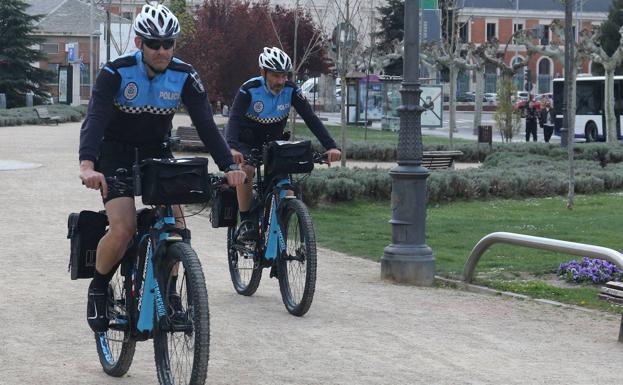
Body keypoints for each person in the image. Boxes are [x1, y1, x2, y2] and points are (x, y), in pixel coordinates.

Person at [78, 3, 246, 333]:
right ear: (139, 43)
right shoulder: (116, 72)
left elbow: (207, 126)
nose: (162, 50)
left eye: (168, 43)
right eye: (154, 43)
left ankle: (171, 296)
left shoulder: (185, 75)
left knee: (178, 229)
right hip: (115, 154)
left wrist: (228, 165)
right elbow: (95, 119)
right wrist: (87, 165)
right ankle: (98, 286)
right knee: (124, 229)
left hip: (156, 153)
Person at [226, 47, 341, 240]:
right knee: (247, 170)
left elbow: (311, 118)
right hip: (247, 141)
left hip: (274, 143)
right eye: (276, 76)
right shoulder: (249, 89)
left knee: (286, 190)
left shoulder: (291, 90)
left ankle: (279, 246)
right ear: (263, 72)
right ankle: (245, 221)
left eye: (284, 76)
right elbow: (234, 120)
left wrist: (331, 146)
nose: (281, 81)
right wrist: (232, 147)